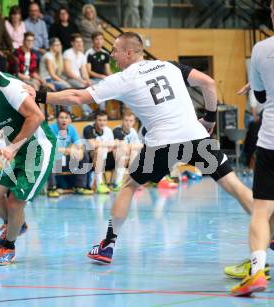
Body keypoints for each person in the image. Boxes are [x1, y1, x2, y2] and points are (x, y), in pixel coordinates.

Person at [35, 31, 255, 266]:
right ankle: (268, 232)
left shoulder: (124, 78)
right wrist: (210, 119)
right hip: (196, 137)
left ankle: (107, 245)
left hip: (162, 143)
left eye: (115, 51)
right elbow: (208, 83)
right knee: (233, 185)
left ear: (129, 52)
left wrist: (39, 94)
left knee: (129, 186)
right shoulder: (169, 66)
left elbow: (77, 96)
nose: (112, 56)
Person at [0, 45, 56, 265]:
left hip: (37, 149)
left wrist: (13, 147)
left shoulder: (9, 86)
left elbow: (36, 117)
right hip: (16, 149)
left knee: (15, 201)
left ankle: (8, 247)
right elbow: (1, 115)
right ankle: (16, 226)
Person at [230, 1, 274, 296]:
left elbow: (259, 95)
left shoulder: (261, 50)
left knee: (262, 208)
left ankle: (257, 271)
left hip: (271, 140)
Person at [47, 109, 93, 197]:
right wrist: (69, 150)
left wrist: (80, 151)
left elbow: (79, 144)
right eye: (61, 118)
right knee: (51, 155)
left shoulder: (72, 129)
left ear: (69, 120)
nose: (64, 120)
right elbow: (51, 148)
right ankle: (51, 188)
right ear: (57, 119)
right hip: (55, 160)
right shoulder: (51, 129)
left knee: (85, 155)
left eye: (66, 118)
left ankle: (80, 187)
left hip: (66, 159)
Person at [83, 111, 115, 194]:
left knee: (120, 150)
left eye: (104, 120)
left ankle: (116, 183)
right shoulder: (88, 128)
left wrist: (105, 146)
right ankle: (99, 183)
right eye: (100, 120)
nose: (102, 122)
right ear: (95, 120)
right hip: (88, 157)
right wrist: (106, 145)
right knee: (99, 150)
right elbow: (93, 145)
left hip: (104, 156)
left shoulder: (108, 130)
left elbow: (112, 146)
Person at [63, 33, 93, 118]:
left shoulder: (82, 55)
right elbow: (68, 72)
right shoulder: (67, 53)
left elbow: (84, 72)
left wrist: (88, 81)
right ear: (72, 43)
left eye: (81, 42)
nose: (80, 44)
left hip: (78, 80)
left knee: (94, 86)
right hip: (68, 79)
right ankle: (88, 112)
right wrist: (82, 81)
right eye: (77, 42)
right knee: (81, 88)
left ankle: (97, 111)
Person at [112, 112, 141, 191]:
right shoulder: (117, 130)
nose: (128, 123)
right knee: (123, 152)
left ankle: (132, 181)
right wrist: (131, 146)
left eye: (131, 121)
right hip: (114, 157)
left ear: (134, 122)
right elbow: (123, 146)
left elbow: (140, 146)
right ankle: (118, 182)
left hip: (128, 156)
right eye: (126, 120)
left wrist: (131, 147)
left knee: (135, 153)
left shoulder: (133, 131)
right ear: (122, 120)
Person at [85, 31, 112, 111]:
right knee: (101, 89)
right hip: (91, 79)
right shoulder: (89, 53)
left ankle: (115, 111)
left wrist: (116, 77)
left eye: (101, 39)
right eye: (97, 39)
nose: (99, 41)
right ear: (93, 41)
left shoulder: (105, 53)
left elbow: (108, 71)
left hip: (102, 79)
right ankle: (102, 111)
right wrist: (101, 76)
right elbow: (88, 71)